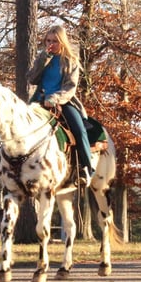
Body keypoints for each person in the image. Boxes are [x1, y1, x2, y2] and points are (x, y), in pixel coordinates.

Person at [27, 24, 95, 184]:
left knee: (79, 130)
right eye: (48, 40)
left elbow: (70, 87)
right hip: (39, 100)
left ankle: (86, 168)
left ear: (62, 42)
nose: (50, 44)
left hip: (63, 101)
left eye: (55, 41)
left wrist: (55, 99)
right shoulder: (43, 58)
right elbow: (32, 79)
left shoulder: (71, 61)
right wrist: (43, 59)